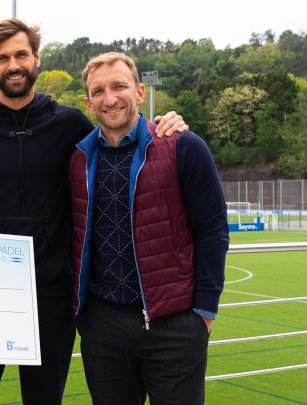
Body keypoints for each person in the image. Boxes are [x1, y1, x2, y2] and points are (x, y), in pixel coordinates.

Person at [0, 18, 188, 404]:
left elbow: (119, 143)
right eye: (2, 58)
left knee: (43, 398)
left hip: (51, 296)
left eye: (21, 54)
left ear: (36, 58)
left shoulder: (70, 123)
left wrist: (163, 125)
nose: (14, 64)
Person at [69, 52, 229, 404]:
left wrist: (203, 314)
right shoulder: (78, 158)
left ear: (140, 92)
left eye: (119, 86)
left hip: (174, 325)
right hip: (103, 326)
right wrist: (87, 318)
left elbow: (213, 230)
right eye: (99, 91)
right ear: (88, 103)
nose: (109, 98)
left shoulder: (182, 145)